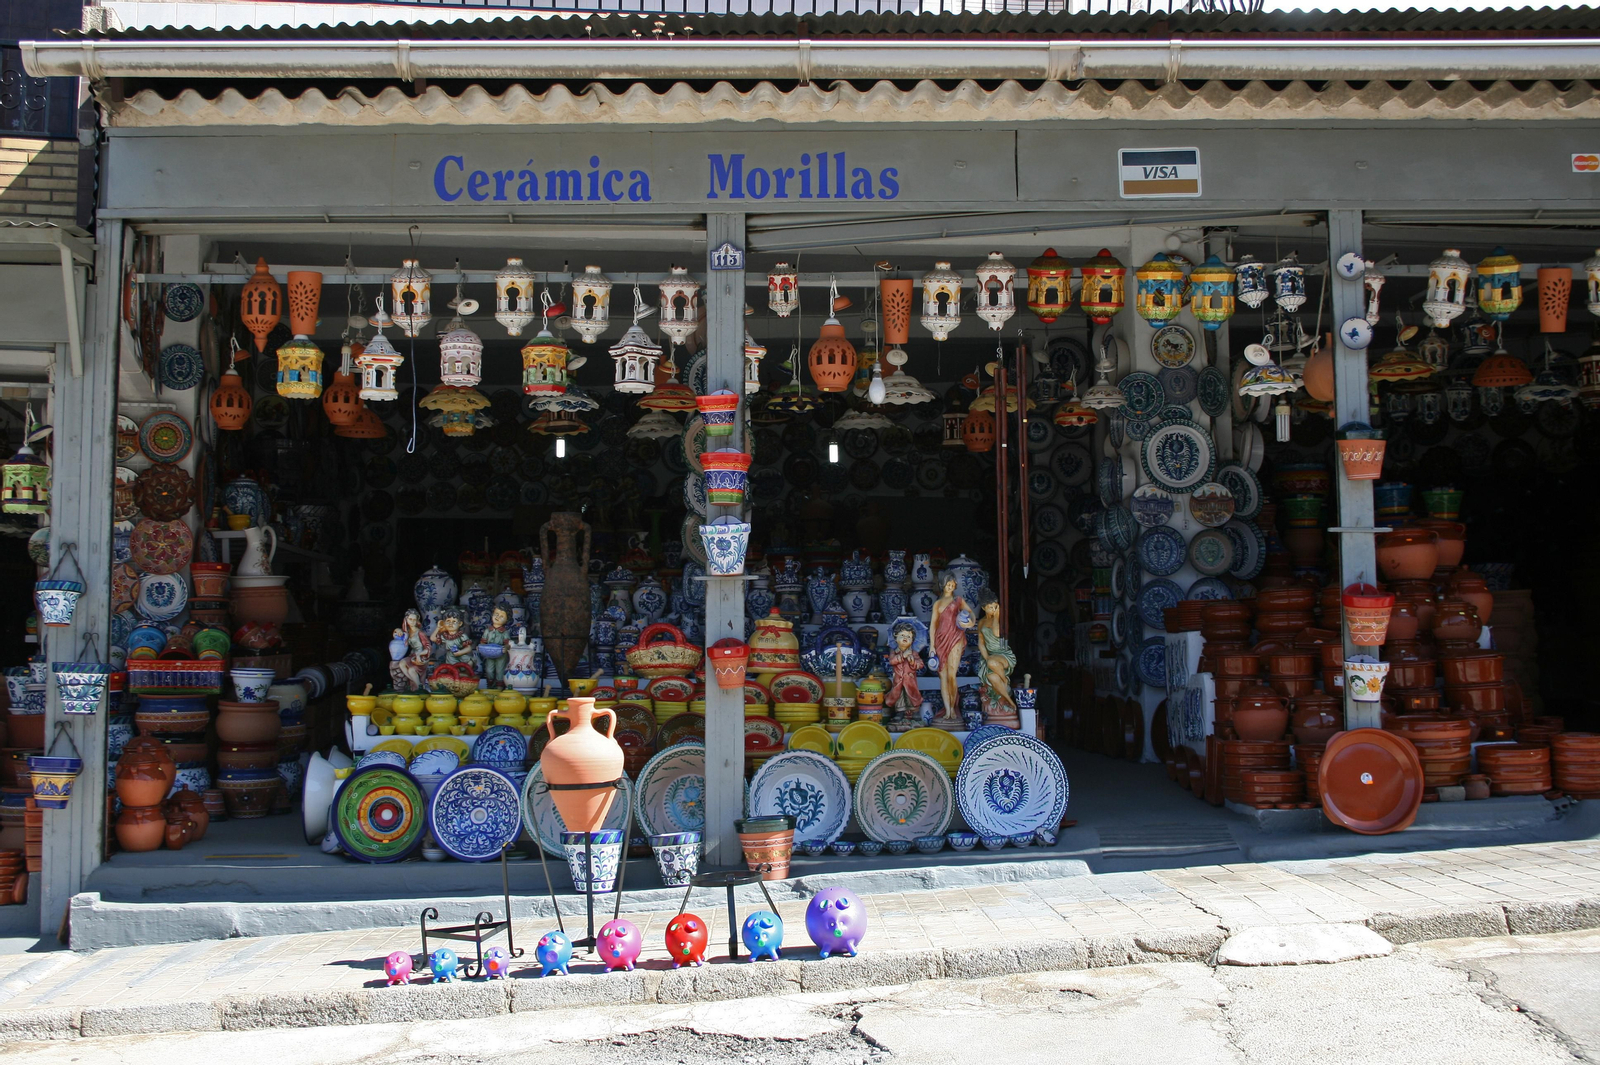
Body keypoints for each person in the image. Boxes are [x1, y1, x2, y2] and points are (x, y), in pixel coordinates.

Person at [925, 572, 974, 730]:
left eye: (953, 584)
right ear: (943, 585)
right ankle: (947, 710)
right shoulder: (937, 604)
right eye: (948, 584)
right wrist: (932, 646)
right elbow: (933, 625)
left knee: (952, 675)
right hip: (940, 640)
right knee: (943, 676)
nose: (951, 587)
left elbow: (971, 614)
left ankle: (953, 708)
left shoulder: (958, 600)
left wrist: (969, 623)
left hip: (955, 639)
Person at [975, 590, 1019, 727]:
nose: (993, 609)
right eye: (990, 607)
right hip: (990, 657)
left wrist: (997, 616)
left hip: (1003, 654)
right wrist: (986, 658)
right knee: (992, 677)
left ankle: (1005, 680)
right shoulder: (981, 622)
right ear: (983, 608)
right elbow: (981, 643)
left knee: (993, 662)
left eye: (995, 606)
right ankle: (1009, 702)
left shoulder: (1000, 620)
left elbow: (996, 633)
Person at [883, 619, 925, 732]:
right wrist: (902, 656)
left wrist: (912, 661)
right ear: (896, 637)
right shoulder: (894, 651)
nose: (905, 638)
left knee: (912, 695)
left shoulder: (914, 653)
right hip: (898, 681)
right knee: (899, 696)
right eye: (902, 635)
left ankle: (915, 712)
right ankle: (900, 713)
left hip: (910, 681)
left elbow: (920, 664)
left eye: (909, 636)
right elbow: (892, 661)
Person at [389, 608, 431, 692]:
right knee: (402, 663)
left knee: (412, 670)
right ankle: (416, 683)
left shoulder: (420, 633)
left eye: (414, 620)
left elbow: (428, 647)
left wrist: (420, 654)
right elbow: (398, 636)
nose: (412, 622)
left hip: (421, 656)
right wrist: (397, 630)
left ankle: (419, 687)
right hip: (412, 655)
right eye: (410, 619)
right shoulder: (407, 632)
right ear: (406, 619)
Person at [478, 606, 510, 687]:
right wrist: (480, 646)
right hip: (489, 653)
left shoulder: (505, 632)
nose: (498, 617)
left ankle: (499, 686)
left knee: (500, 670)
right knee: (489, 670)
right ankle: (490, 685)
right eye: (496, 614)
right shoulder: (488, 631)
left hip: (501, 654)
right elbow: (483, 641)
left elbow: (508, 644)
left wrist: (505, 648)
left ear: (506, 620)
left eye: (502, 616)